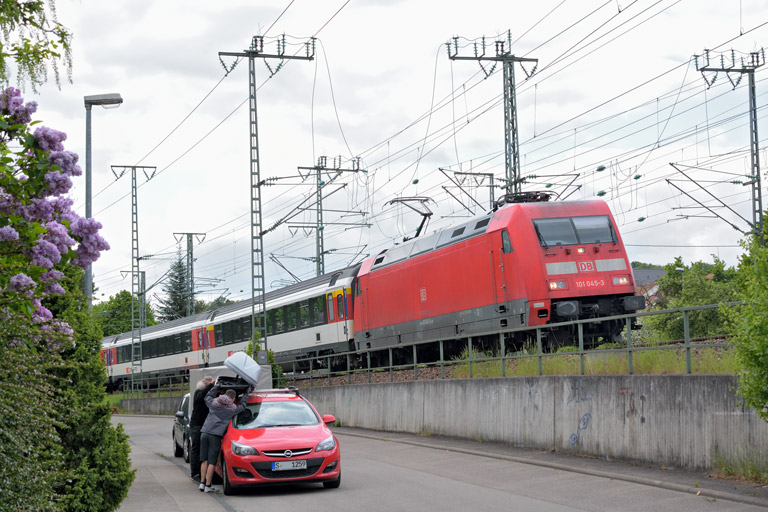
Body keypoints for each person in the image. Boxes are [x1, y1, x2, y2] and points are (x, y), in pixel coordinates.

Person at [198, 379, 250, 493]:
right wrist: (247, 393)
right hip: (215, 436)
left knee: (204, 460)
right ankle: (208, 485)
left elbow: (207, 396)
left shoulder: (214, 402)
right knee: (212, 461)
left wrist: (216, 386)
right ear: (233, 398)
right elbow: (243, 406)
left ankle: (201, 483)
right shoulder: (232, 408)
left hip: (205, 432)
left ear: (225, 395)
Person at [189, 375, 214, 482]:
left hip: (203, 425)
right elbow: (203, 395)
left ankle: (201, 472)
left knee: (202, 450)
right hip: (197, 425)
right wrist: (211, 386)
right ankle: (195, 473)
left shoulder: (204, 394)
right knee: (196, 449)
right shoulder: (199, 393)